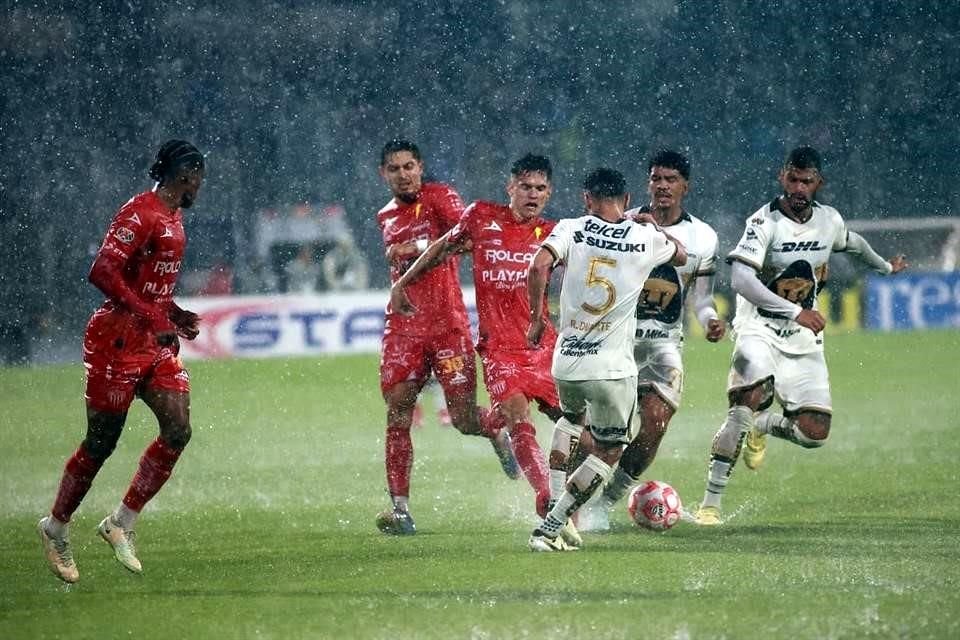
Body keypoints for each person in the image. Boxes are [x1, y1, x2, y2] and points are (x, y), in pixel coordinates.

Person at [693, 146, 908, 525]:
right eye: (792, 179)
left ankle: (764, 425)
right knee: (743, 406)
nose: (798, 188)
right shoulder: (763, 222)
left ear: (818, 183)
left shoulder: (829, 220)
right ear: (782, 177)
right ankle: (710, 505)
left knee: (814, 433)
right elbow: (741, 279)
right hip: (757, 329)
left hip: (802, 338)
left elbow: (853, 243)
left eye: (806, 181)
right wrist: (796, 311)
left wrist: (885, 267)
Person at [38, 140, 206, 583]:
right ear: (184, 175)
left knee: (178, 429)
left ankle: (120, 522)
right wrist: (154, 316)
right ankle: (55, 528)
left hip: (152, 342)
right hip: (115, 340)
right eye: (198, 178)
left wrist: (173, 313)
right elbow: (102, 271)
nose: (200, 187)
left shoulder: (174, 215)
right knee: (101, 443)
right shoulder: (140, 213)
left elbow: (147, 283)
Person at [391, 153, 564, 524]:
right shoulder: (481, 217)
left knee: (579, 426)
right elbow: (441, 248)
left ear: (549, 193)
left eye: (540, 188)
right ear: (510, 187)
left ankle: (583, 499)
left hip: (545, 347)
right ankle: (547, 499)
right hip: (499, 350)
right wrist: (404, 282)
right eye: (525, 187)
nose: (533, 195)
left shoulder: (557, 234)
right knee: (517, 419)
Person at [525, 167, 686, 551]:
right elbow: (680, 255)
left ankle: (555, 502)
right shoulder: (644, 237)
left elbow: (538, 265)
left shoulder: (571, 227)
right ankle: (551, 526)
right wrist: (651, 226)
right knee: (610, 448)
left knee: (570, 421)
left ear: (587, 198)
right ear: (626, 200)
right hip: (612, 368)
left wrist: (537, 318)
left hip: (567, 360)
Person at [374, 138, 518, 536]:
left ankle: (495, 429)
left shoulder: (440, 198)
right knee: (398, 411)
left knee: (464, 420)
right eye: (394, 169)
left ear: (420, 167)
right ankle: (400, 509)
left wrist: (416, 245)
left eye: (409, 166)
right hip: (403, 328)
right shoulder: (384, 215)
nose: (403, 175)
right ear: (383, 174)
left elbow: (469, 238)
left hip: (447, 328)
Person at [577, 149, 727, 531]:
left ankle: (606, 502)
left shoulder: (703, 237)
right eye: (656, 178)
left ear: (685, 186)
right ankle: (573, 500)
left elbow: (702, 299)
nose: (662, 186)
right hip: (616, 342)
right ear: (647, 183)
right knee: (596, 435)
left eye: (670, 179)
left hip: (663, 345)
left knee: (655, 423)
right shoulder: (623, 224)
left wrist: (710, 320)